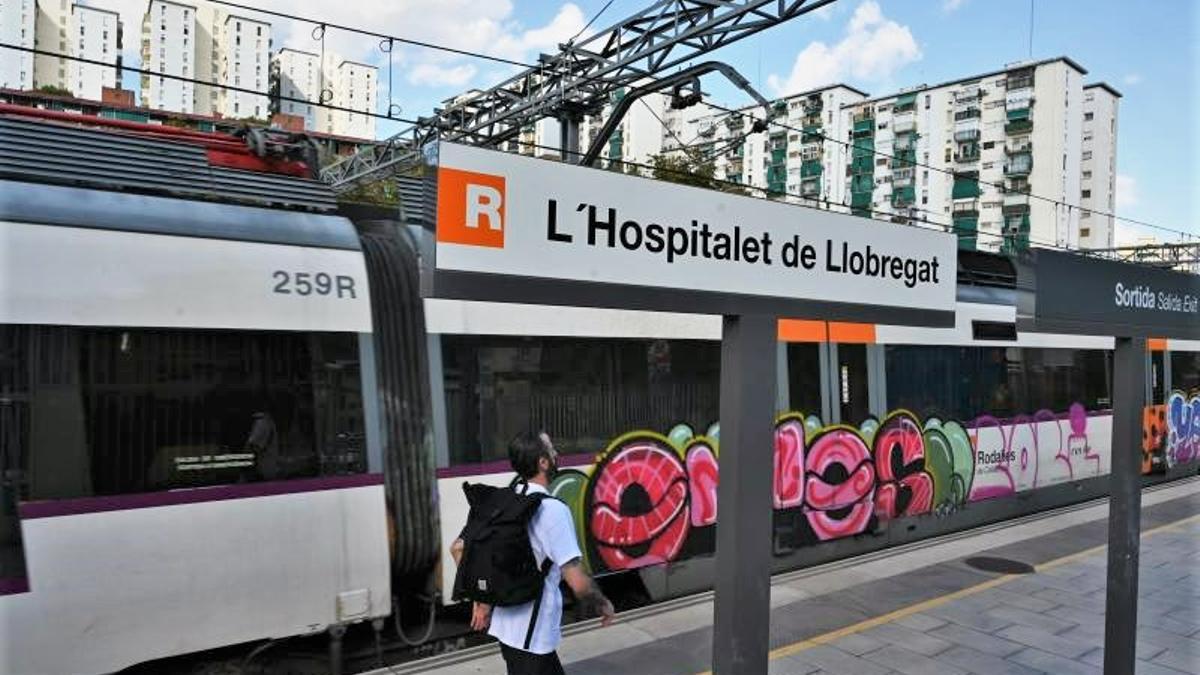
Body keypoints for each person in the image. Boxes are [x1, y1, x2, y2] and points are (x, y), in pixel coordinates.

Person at [451, 431, 615, 675]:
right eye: (551, 450)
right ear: (543, 462)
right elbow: (577, 582)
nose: (557, 453)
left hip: (506, 628)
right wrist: (602, 603)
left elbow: (458, 547)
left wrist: (481, 598)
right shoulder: (553, 511)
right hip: (532, 635)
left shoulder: (510, 498)